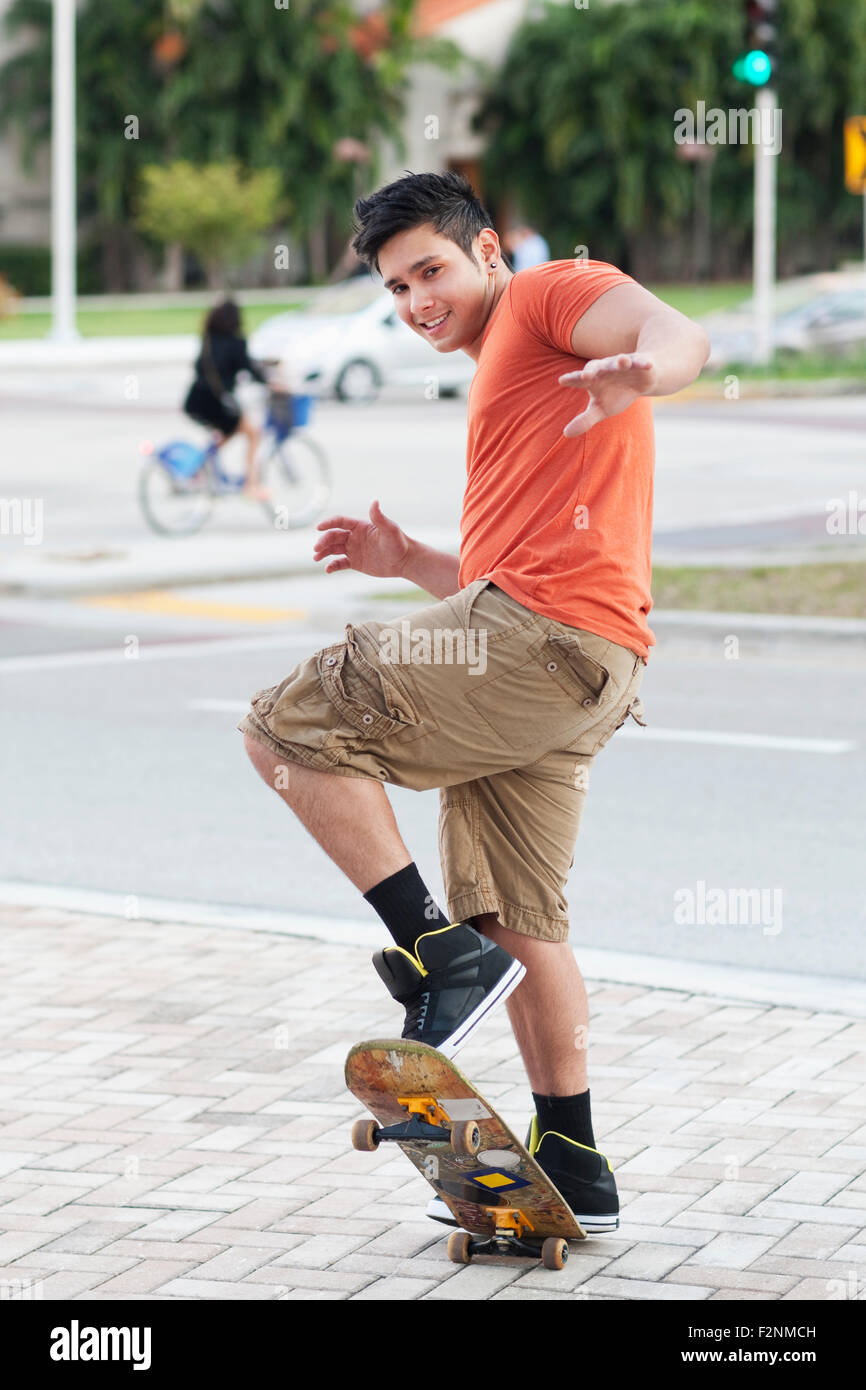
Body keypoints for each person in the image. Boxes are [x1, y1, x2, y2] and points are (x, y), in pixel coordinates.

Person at [236, 171, 710, 1233]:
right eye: (397, 286)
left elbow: (673, 330)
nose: (416, 303)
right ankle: (573, 1148)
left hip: (537, 646)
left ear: (487, 251)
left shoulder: (544, 297)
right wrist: (409, 559)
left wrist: (648, 371)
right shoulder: (502, 363)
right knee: (518, 915)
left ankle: (437, 956)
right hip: (568, 661)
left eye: (432, 271)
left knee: (287, 722)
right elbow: (513, 573)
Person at [182, 299, 270, 500]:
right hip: (216, 402)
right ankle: (251, 484)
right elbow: (249, 369)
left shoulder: (208, 339)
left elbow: (198, 367)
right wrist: (270, 382)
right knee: (253, 432)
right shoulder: (236, 342)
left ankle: (201, 467)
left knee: (228, 430)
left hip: (195, 400)